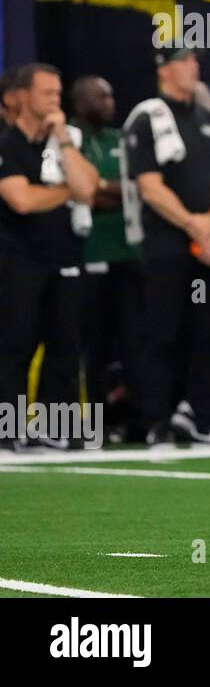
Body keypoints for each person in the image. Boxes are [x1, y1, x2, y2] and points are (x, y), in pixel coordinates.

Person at [124, 46, 210, 446]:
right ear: (164, 70)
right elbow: (149, 186)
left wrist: (209, 222)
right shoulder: (148, 120)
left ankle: (204, 419)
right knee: (162, 334)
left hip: (209, 249)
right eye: (183, 61)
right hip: (167, 248)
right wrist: (194, 226)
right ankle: (156, 422)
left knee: (208, 335)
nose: (192, 67)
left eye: (194, 61)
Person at [0, 64, 98, 451]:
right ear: (20, 96)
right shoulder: (6, 145)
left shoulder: (64, 142)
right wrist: (65, 193)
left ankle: (56, 427)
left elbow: (88, 189)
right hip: (18, 260)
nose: (55, 100)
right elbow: (21, 200)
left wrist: (62, 138)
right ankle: (6, 429)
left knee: (65, 347)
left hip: (65, 256)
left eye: (59, 93)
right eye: (47, 93)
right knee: (15, 345)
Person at [71, 76, 143, 439]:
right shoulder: (69, 139)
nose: (109, 100)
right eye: (101, 95)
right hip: (88, 256)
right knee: (93, 345)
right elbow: (82, 194)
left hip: (128, 255)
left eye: (111, 94)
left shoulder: (120, 139)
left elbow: (138, 188)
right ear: (81, 101)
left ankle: (136, 422)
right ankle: (93, 425)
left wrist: (102, 187)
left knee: (135, 342)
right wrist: (104, 191)